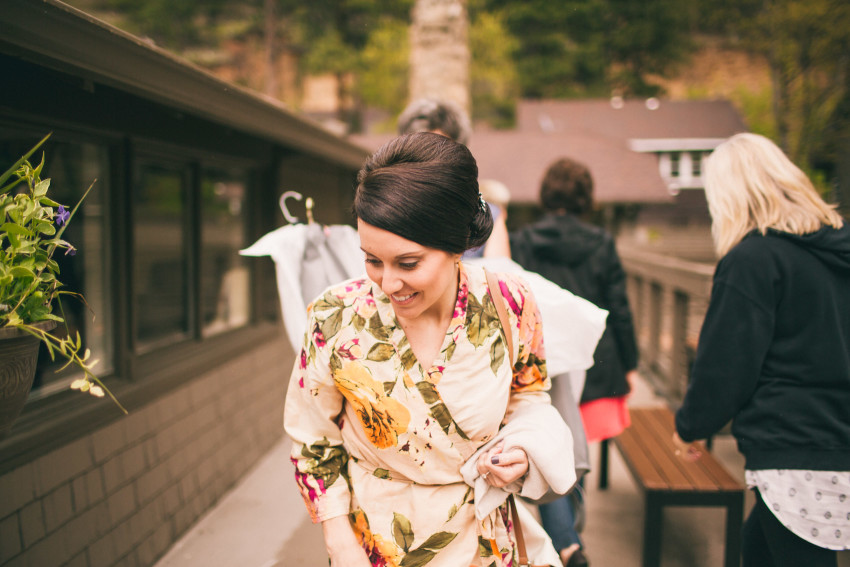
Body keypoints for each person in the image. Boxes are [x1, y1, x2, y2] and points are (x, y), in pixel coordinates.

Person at [284, 132, 581, 567]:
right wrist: (338, 540)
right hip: (375, 546)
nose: (388, 284)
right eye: (372, 259)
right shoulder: (335, 315)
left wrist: (524, 450)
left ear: (458, 245)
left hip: (487, 542)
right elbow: (312, 438)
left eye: (408, 263)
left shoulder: (510, 302)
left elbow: (529, 394)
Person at [673, 133, 850, 566]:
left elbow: (726, 362)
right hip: (838, 438)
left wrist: (692, 426)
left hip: (792, 449)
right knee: (757, 547)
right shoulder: (838, 253)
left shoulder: (753, 260)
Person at [510, 157, 640, 567]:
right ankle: (570, 536)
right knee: (577, 452)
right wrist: (630, 362)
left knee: (550, 447)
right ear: (586, 196)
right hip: (593, 362)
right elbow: (618, 307)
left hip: (541, 363)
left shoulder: (523, 239)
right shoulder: (601, 241)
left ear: (547, 194)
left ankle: (562, 543)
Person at [397, 97, 511, 258]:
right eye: (422, 148)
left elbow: (499, 273)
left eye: (441, 149)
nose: (432, 160)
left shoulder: (487, 215)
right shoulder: (388, 209)